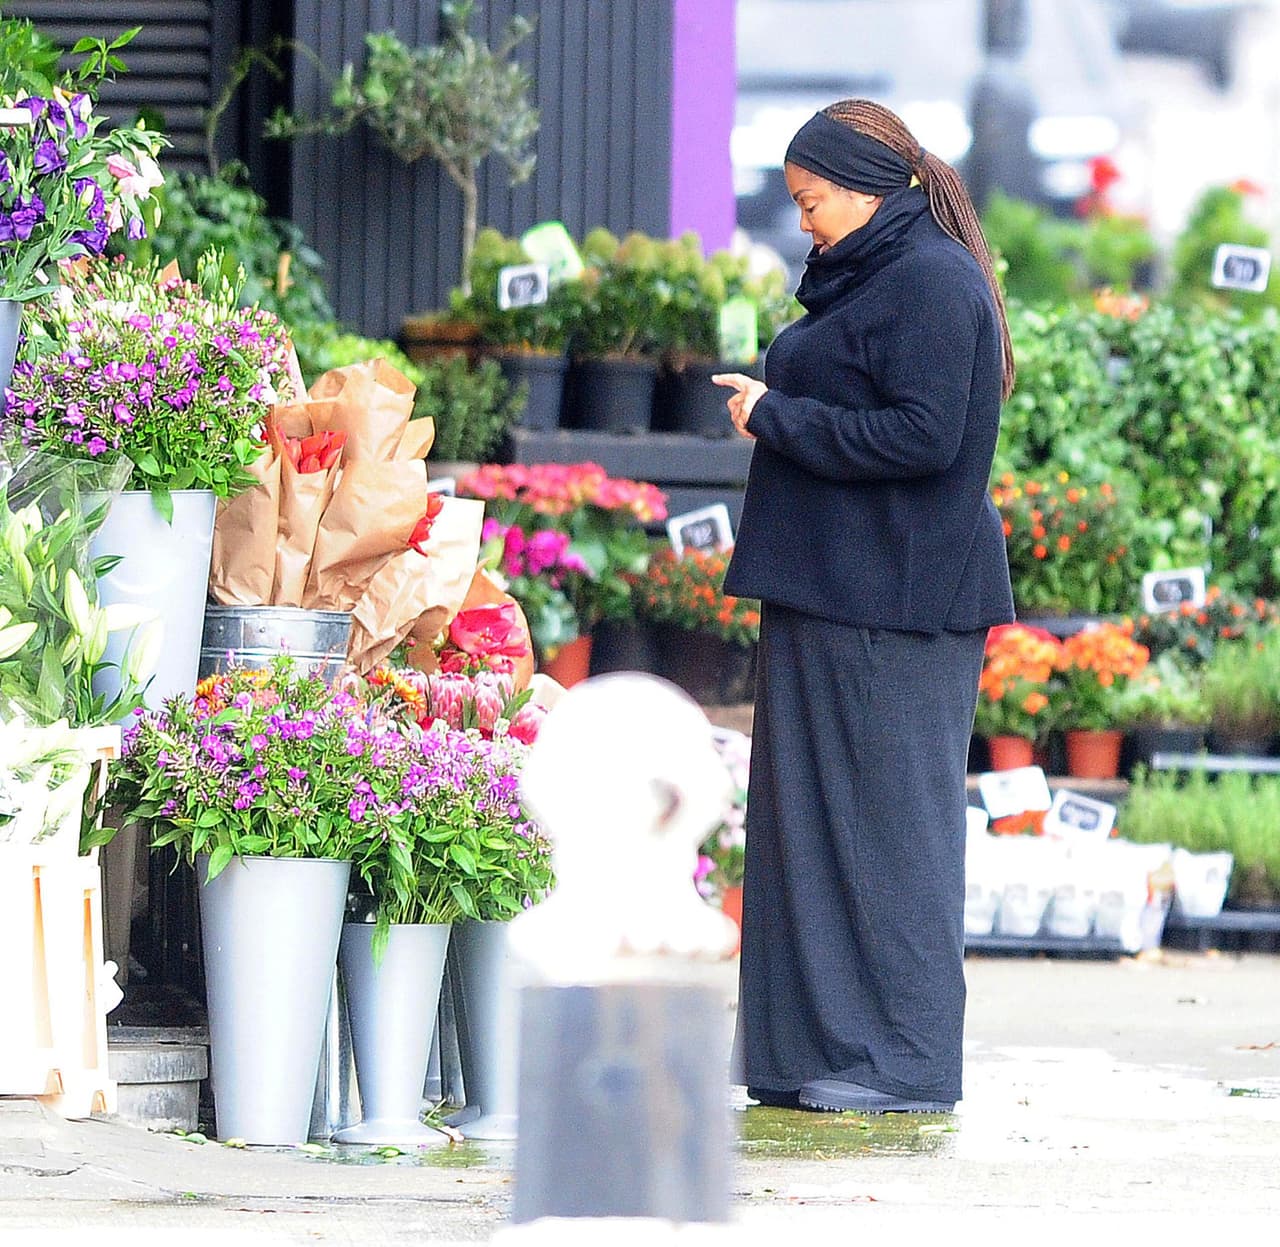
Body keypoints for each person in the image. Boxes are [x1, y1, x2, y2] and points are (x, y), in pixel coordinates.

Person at [712, 100, 1016, 1114]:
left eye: (808, 202)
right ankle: (809, 1051)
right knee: (808, 827)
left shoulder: (929, 280)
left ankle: (898, 1062)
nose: (802, 222)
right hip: (838, 589)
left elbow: (922, 437)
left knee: (885, 834)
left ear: (861, 187)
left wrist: (776, 414)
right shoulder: (882, 272)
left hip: (895, 600)